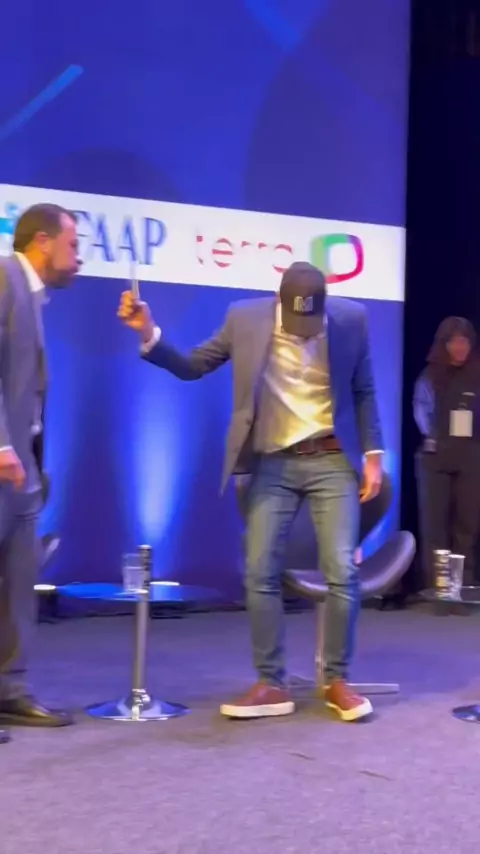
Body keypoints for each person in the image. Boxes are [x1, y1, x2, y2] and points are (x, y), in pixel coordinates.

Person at [118, 261, 384, 722]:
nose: (304, 334)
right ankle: (271, 683)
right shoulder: (244, 318)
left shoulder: (351, 320)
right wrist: (148, 333)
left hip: (330, 456)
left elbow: (363, 390)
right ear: (279, 302)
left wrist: (374, 453)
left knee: (342, 569)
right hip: (271, 459)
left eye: (312, 323)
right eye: (296, 323)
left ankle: (335, 679)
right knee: (260, 569)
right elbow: (193, 366)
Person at [0, 203, 81, 734]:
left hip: (22, 469)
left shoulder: (33, 295)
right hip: (2, 459)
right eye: (73, 245)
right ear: (43, 242)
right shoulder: (4, 277)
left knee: (18, 582)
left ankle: (10, 689)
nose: (79, 257)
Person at [414, 317, 480, 590]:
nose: (460, 347)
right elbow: (421, 411)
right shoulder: (430, 376)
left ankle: (462, 586)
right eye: (454, 341)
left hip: (471, 457)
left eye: (464, 341)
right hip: (436, 458)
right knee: (435, 527)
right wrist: (434, 437)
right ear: (444, 344)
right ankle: (439, 589)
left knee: (467, 526)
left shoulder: (477, 374)